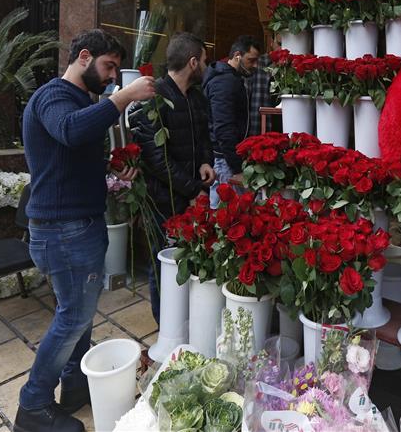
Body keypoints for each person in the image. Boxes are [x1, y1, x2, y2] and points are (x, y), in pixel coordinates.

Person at [16, 30, 156, 432]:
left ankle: (75, 386)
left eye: (116, 70)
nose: (113, 77)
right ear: (83, 57)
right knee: (73, 318)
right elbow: (70, 131)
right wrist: (125, 96)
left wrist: (110, 167)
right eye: (108, 67)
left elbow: (68, 153)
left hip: (75, 226)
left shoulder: (81, 101)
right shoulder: (53, 96)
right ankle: (33, 405)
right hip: (63, 231)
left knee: (79, 314)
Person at [131, 32, 215, 323]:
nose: (207, 65)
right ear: (193, 62)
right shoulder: (152, 98)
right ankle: (166, 327)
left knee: (190, 262)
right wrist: (193, 191)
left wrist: (205, 161)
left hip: (190, 197)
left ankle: (185, 321)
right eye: (205, 60)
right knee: (164, 266)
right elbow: (156, 159)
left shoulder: (196, 96)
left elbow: (204, 136)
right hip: (163, 201)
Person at [203, 35, 260, 207]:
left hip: (224, 157)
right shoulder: (225, 82)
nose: (255, 65)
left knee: (223, 210)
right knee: (227, 211)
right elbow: (224, 128)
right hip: (225, 159)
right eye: (251, 60)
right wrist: (237, 167)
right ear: (237, 56)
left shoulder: (227, 79)